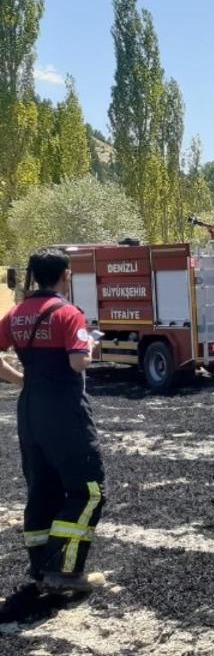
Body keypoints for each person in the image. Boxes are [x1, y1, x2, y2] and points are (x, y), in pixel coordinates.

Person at [0, 248, 107, 595]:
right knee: (89, 490)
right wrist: (89, 345)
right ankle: (64, 571)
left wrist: (20, 380)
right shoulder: (68, 313)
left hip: (30, 412)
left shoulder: (16, 314)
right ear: (66, 276)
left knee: (42, 489)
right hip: (64, 413)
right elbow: (78, 363)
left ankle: (40, 568)